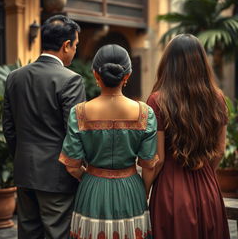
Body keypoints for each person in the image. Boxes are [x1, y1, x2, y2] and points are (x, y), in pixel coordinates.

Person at [58, 44, 159, 239]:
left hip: (92, 190)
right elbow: (148, 165)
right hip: (131, 191)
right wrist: (143, 191)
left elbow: (71, 166)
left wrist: (89, 177)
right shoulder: (145, 113)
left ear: (96, 74)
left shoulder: (79, 113)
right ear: (127, 76)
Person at [2, 15, 86, 239]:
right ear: (65, 45)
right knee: (57, 233)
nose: (75, 51)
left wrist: (21, 156)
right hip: (56, 176)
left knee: (28, 232)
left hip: (24, 170)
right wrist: (77, 169)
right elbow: (74, 133)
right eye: (75, 45)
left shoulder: (14, 77)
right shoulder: (71, 80)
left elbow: (8, 128)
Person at [147, 34, 230, 239]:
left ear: (169, 63)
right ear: (201, 62)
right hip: (207, 186)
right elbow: (219, 150)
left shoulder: (157, 101)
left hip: (170, 189)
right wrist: (205, 175)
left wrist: (144, 192)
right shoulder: (217, 98)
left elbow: (158, 160)